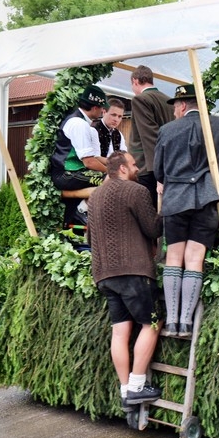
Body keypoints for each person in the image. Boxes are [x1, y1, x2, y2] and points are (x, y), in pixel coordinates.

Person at [154, 84, 219, 337]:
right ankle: (186, 324)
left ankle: (171, 321)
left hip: (175, 199)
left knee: (174, 256)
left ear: (182, 105)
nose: (174, 111)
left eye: (175, 107)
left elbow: (158, 170)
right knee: (195, 259)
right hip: (207, 198)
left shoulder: (167, 130)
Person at [87, 151, 164, 409]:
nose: (137, 168)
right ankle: (137, 385)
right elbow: (153, 228)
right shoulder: (136, 191)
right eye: (132, 164)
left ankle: (124, 390)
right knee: (152, 323)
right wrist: (164, 204)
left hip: (104, 274)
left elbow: (90, 239)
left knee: (120, 331)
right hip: (133, 271)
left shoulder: (95, 196)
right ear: (121, 168)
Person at [50, 85, 110, 226]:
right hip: (66, 174)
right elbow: (89, 162)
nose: (103, 111)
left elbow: (94, 157)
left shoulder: (81, 122)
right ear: (95, 108)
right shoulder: (79, 124)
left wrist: (115, 163)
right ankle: (82, 209)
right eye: (102, 108)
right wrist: (111, 171)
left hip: (73, 171)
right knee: (111, 179)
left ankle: (83, 208)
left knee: (113, 176)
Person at [130, 65, 175, 208]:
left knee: (147, 213)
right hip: (169, 163)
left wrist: (158, 173)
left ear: (135, 81)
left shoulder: (140, 100)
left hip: (147, 167)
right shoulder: (169, 101)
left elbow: (150, 137)